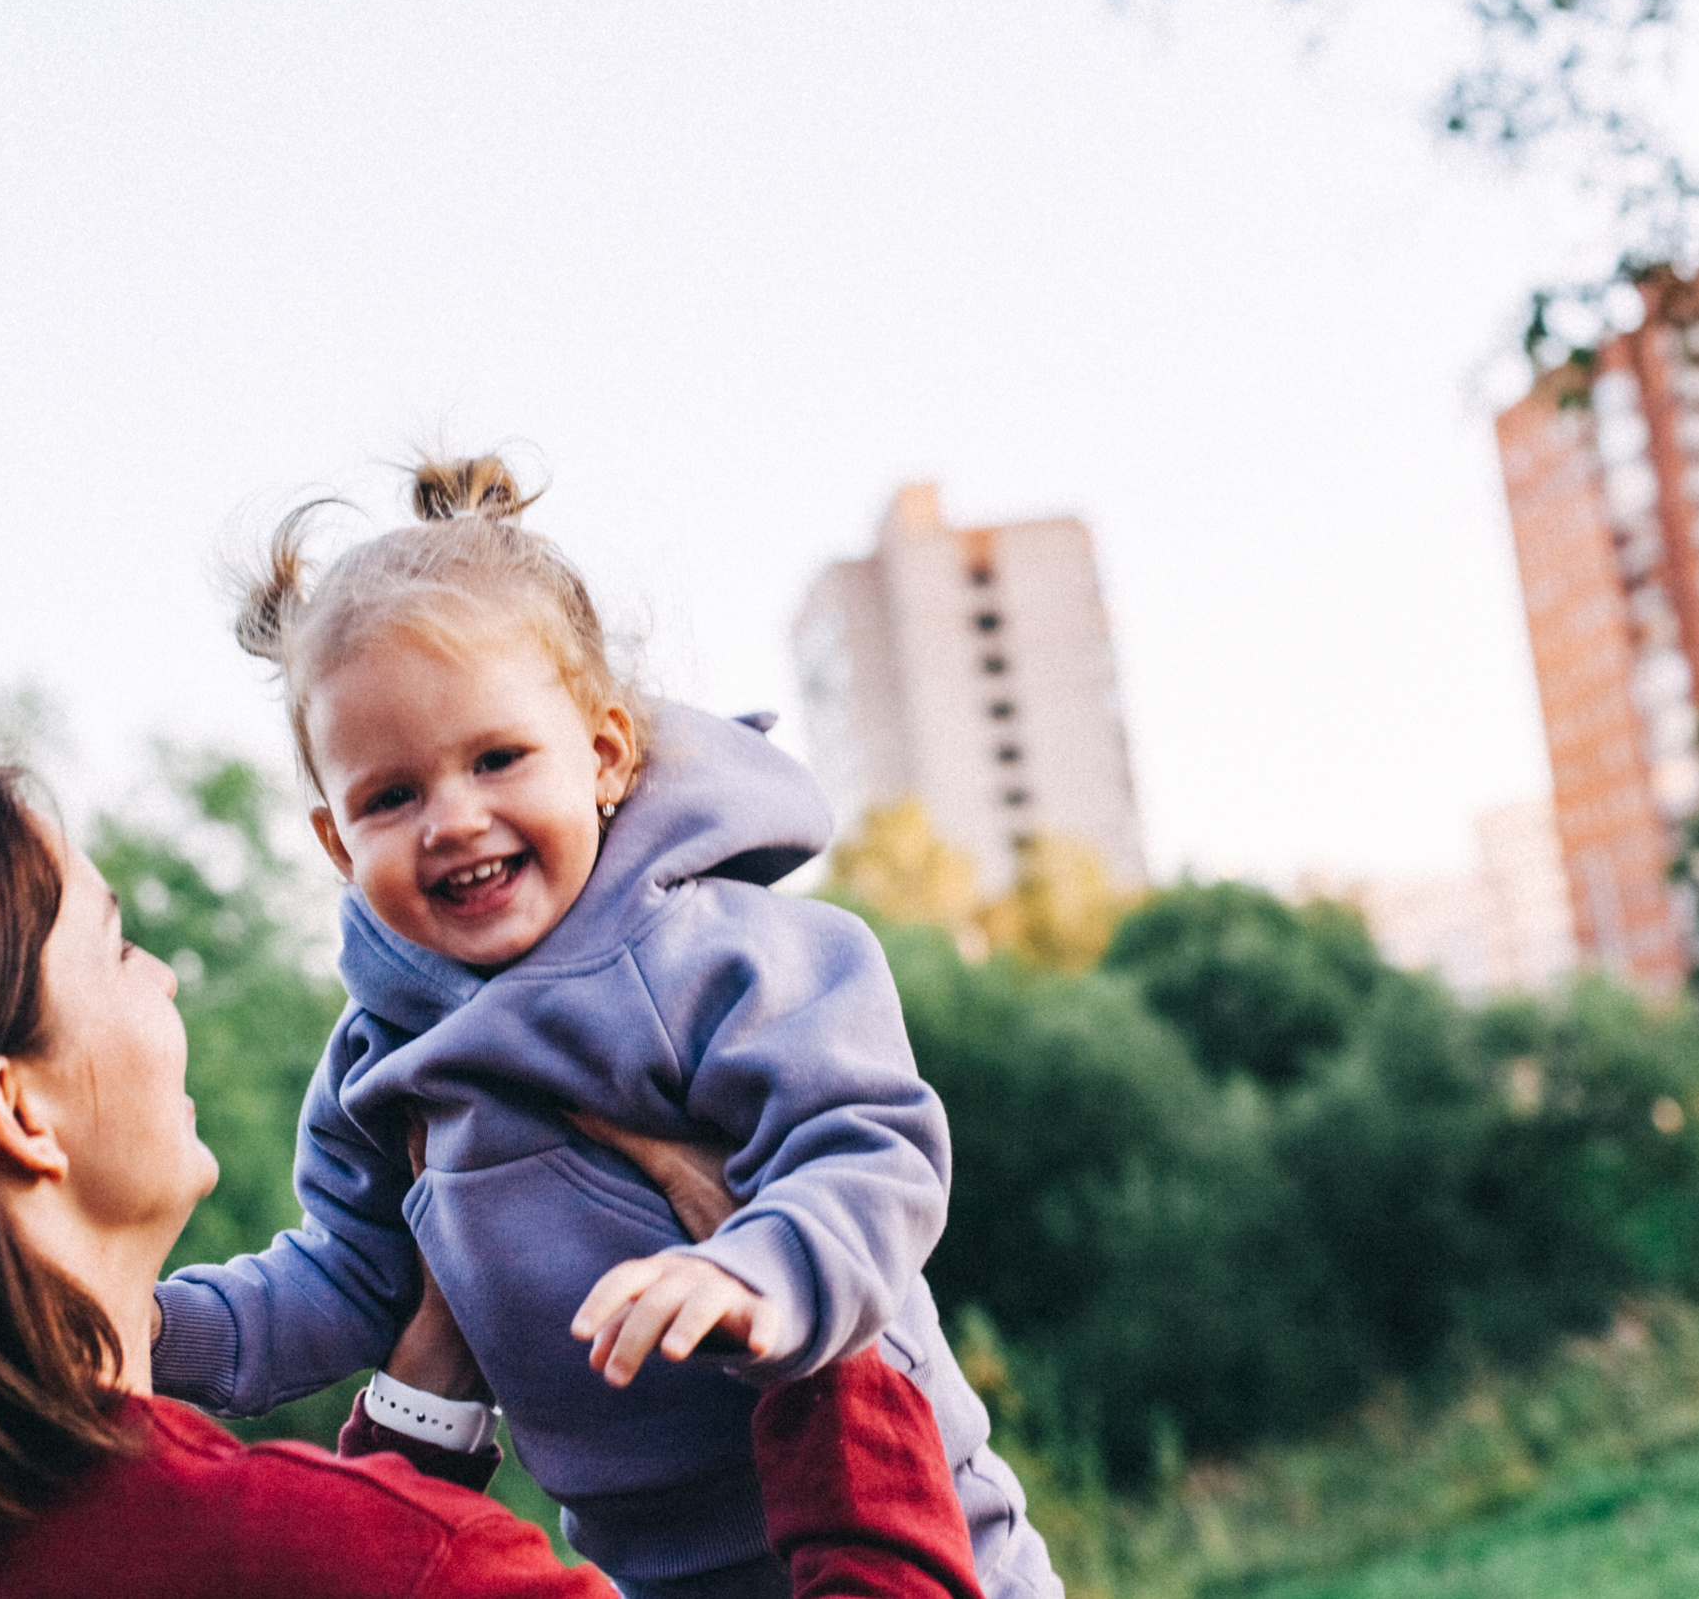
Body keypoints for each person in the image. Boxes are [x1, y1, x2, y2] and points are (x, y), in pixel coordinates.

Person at [0, 752, 987, 1598]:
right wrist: (817, 1333)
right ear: (21, 1111)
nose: (161, 980)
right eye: (112, 947)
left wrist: (425, 1395)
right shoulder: (409, 1576)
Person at [153, 459, 1060, 1599]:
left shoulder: (722, 954)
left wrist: (755, 1268)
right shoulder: (379, 1059)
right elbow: (349, 1277)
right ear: (336, 841)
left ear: (605, 754)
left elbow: (871, 1154)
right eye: (391, 796)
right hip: (656, 1570)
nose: (453, 819)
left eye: (497, 759)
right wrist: (149, 1333)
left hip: (917, 1526)